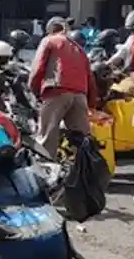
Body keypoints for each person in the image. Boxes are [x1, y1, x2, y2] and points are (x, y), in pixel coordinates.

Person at [28, 16, 95, 156]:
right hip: (80, 96)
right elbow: (90, 79)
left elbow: (38, 68)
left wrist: (35, 91)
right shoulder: (80, 49)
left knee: (47, 139)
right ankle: (87, 171)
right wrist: (91, 103)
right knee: (83, 141)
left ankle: (45, 173)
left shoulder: (49, 41)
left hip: (57, 91)